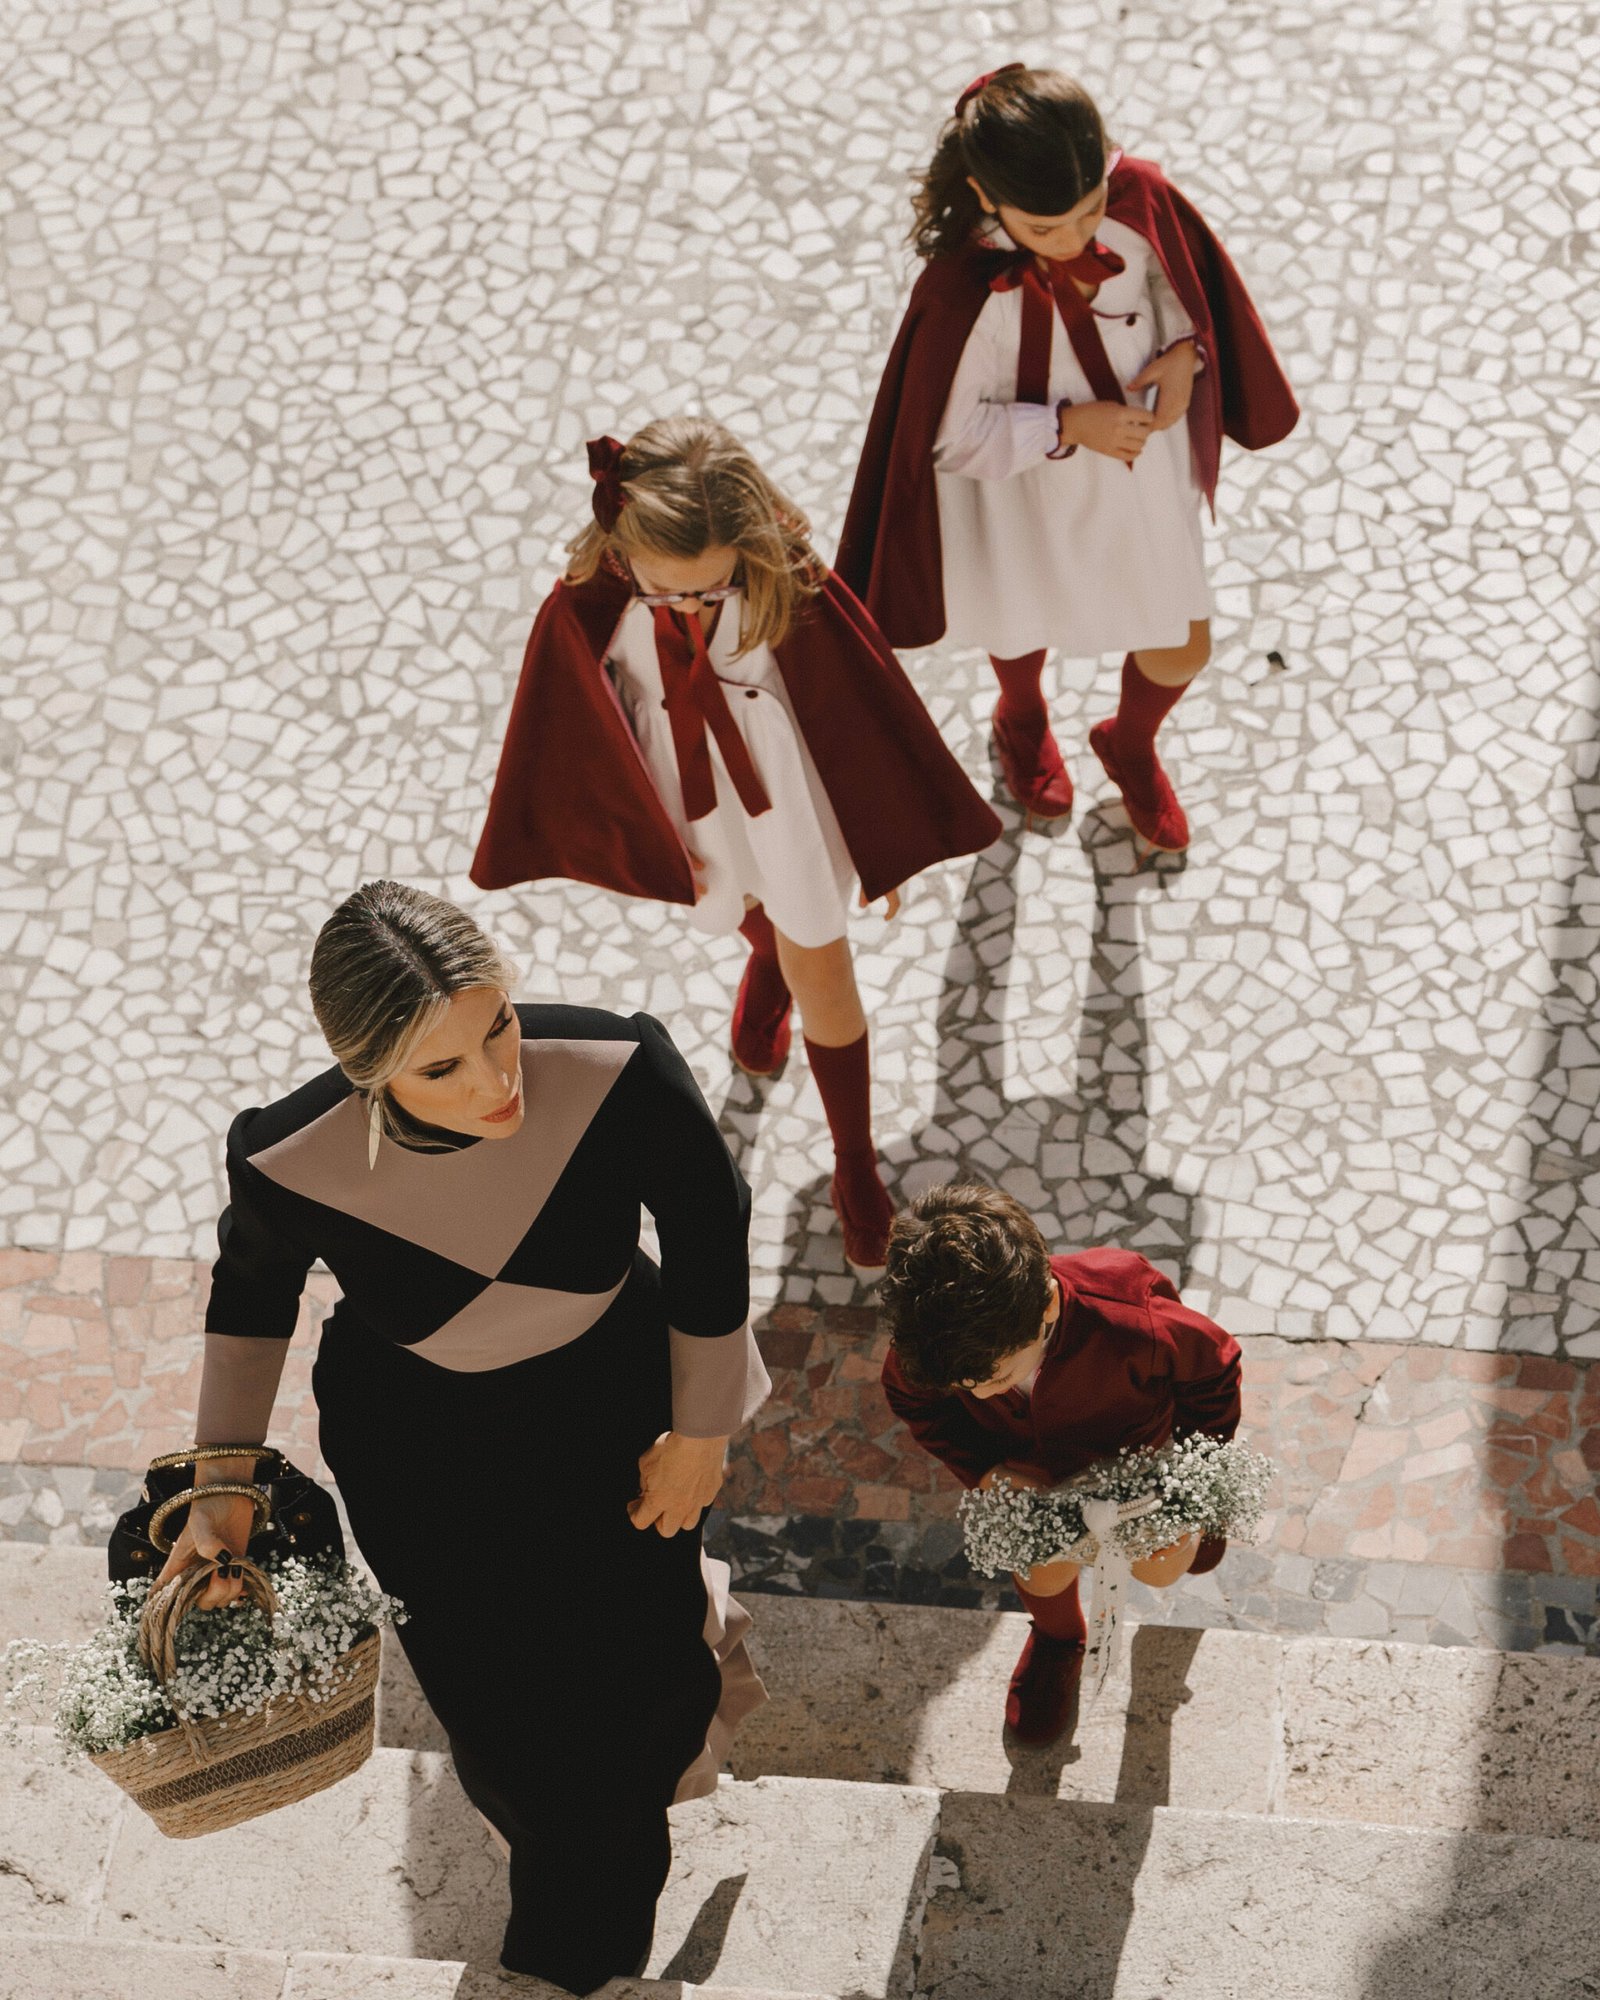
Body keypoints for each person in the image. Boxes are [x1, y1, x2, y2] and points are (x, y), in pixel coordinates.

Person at [153, 881, 770, 1995]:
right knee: (496, 1696)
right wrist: (222, 1480)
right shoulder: (286, 1154)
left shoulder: (619, 1065)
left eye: (496, 1026)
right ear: (366, 1068)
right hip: (421, 1452)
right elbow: (250, 1300)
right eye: (440, 1068)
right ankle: (565, 1881)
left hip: (618, 1409)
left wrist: (701, 1427)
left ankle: (573, 1946)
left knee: (634, 1695)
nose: (495, 1083)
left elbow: (707, 1212)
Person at [470, 416, 1000, 1277]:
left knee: (824, 966)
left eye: (708, 590)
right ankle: (766, 962)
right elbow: (566, 717)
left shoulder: (786, 583)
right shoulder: (589, 601)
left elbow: (861, 708)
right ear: (620, 544)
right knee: (743, 907)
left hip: (789, 798)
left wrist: (880, 839)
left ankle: (855, 1161)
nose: (687, 606)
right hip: (685, 797)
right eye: (669, 590)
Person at [837, 63, 1298, 853]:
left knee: (1182, 639)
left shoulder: (1134, 203)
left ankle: (1130, 741)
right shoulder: (962, 294)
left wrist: (1186, 352)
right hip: (1026, 492)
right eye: (1045, 228)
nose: (1077, 239)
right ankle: (1020, 715)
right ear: (987, 198)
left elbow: (1176, 285)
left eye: (1088, 213)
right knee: (1021, 619)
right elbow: (948, 437)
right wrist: (1068, 426)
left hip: (1139, 476)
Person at [878, 1182, 1241, 1744]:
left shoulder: (1128, 1314)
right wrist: (984, 1472)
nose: (977, 1396)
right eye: (962, 1386)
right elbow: (914, 1403)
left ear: (1046, 1305)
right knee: (1038, 1565)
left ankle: (1197, 1532)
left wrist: (1198, 1485)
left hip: (1137, 1470)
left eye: (994, 1378)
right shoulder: (933, 1346)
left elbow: (1214, 1371)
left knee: (1162, 1565)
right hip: (1034, 1482)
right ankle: (1058, 1638)